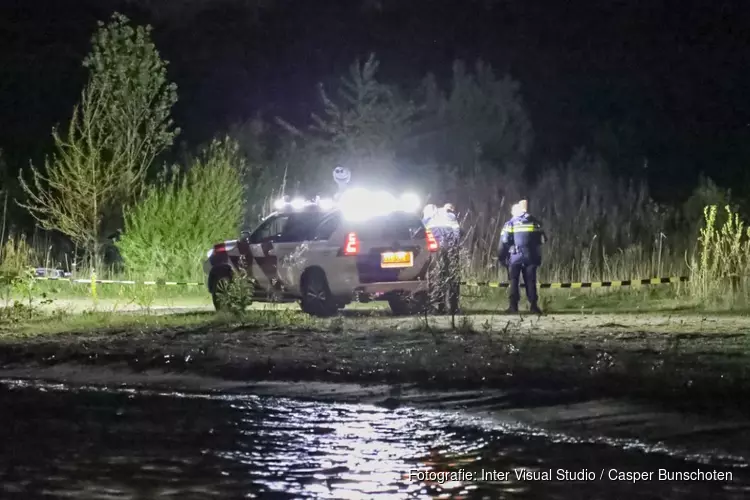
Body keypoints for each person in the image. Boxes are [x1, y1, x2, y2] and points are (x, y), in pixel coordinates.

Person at [498, 199, 546, 315]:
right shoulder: (534, 222)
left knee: (514, 281)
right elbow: (542, 240)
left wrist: (501, 258)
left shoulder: (510, 223)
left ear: (515, 212)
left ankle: (513, 307)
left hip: (515, 256)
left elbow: (503, 242)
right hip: (531, 256)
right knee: (531, 281)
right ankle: (534, 306)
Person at [424, 203, 461, 314]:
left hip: (435, 251)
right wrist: (455, 247)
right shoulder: (451, 217)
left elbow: (422, 236)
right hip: (451, 249)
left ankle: (439, 307)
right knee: (453, 277)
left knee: (437, 278)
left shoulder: (427, 218)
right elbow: (457, 233)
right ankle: (454, 308)